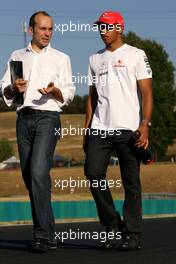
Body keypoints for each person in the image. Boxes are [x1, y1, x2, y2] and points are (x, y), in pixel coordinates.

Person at [1, 11, 75, 252]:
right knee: (30, 177)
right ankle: (48, 232)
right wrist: (14, 86)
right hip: (23, 118)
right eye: (43, 29)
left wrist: (56, 92)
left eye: (50, 29)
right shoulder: (16, 56)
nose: (47, 33)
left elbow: (70, 92)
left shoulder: (61, 58)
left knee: (38, 172)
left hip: (49, 118)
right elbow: (6, 91)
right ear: (31, 30)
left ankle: (43, 235)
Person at [84, 11, 153, 250]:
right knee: (93, 175)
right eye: (100, 27)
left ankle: (132, 233)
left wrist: (145, 125)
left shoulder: (136, 54)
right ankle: (113, 226)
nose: (102, 31)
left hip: (128, 130)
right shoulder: (94, 58)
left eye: (107, 27)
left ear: (119, 28)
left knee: (131, 182)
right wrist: (87, 130)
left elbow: (146, 92)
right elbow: (91, 99)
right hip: (100, 129)